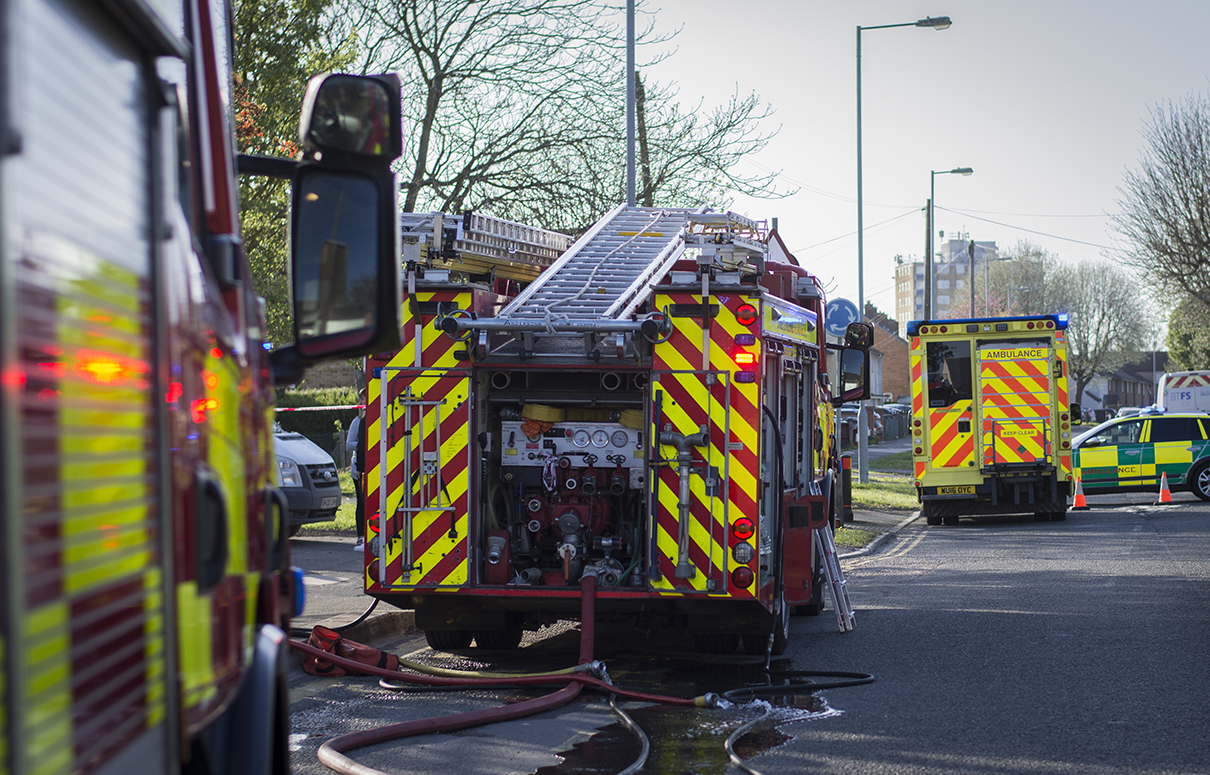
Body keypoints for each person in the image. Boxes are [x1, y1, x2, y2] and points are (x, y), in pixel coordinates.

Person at [347, 393, 367, 551]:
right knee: (361, 502)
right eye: (360, 399)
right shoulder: (357, 421)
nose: (361, 402)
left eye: (363, 398)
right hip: (359, 469)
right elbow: (349, 445)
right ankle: (361, 536)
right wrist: (366, 443)